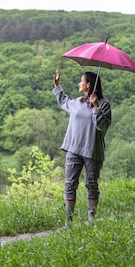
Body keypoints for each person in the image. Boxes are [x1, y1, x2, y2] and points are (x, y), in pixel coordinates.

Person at [52, 69, 111, 224]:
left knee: (91, 183)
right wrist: (57, 87)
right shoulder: (78, 102)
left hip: (92, 150)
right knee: (70, 184)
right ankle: (68, 221)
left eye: (81, 81)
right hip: (73, 149)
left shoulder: (104, 104)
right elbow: (64, 102)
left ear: (89, 84)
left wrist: (96, 107)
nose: (79, 83)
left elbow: (102, 126)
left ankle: (91, 217)